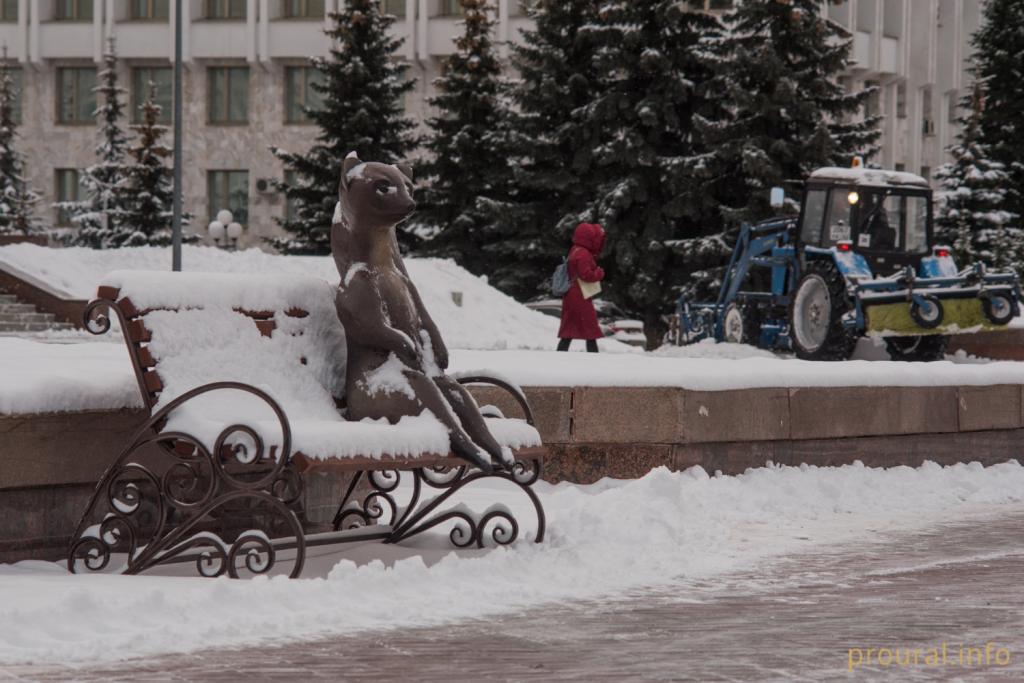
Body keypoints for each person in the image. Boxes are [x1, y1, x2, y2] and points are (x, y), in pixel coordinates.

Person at [558, 222, 606, 353]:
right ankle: (594, 356)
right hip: (579, 294)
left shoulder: (574, 250)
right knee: (590, 327)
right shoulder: (584, 253)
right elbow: (586, 275)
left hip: (571, 293)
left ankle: (559, 355)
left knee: (569, 329)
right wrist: (599, 273)